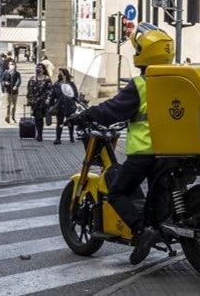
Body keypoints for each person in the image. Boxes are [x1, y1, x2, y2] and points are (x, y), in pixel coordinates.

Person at [67, 23, 175, 265]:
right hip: (173, 150)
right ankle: (156, 227)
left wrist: (85, 115)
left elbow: (112, 110)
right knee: (159, 195)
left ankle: (141, 231)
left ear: (143, 53)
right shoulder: (176, 82)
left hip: (145, 151)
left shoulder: (141, 85)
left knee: (116, 191)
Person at [49, 68, 78, 145]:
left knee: (70, 122)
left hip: (70, 106)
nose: (60, 75)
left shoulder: (71, 84)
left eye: (62, 74)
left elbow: (75, 95)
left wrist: (74, 102)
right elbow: (52, 96)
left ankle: (71, 137)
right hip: (60, 106)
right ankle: (58, 138)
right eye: (59, 74)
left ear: (65, 75)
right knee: (59, 123)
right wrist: (51, 105)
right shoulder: (56, 84)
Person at [26, 63, 52, 142]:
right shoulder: (32, 78)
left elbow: (50, 90)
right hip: (35, 102)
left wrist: (48, 98)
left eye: (40, 68)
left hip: (43, 102)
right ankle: (39, 134)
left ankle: (40, 134)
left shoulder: (47, 79)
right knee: (38, 118)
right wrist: (29, 100)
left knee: (41, 118)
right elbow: (29, 90)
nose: (38, 69)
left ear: (43, 70)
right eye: (37, 68)